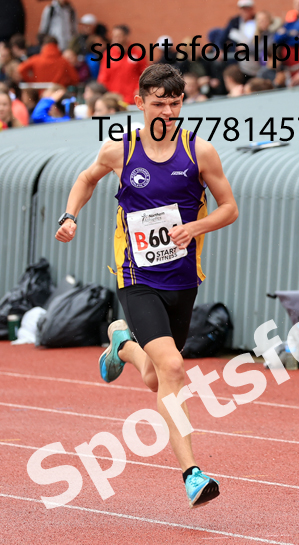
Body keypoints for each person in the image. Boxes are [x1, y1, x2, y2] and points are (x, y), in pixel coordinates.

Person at [55, 63, 238, 509]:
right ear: (139, 103)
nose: (168, 112)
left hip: (182, 278)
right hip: (135, 276)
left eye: (175, 104)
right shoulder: (119, 149)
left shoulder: (201, 152)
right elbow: (86, 179)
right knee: (175, 370)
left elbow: (229, 208)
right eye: (159, 103)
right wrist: (70, 215)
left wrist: (195, 227)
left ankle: (122, 343)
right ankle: (193, 473)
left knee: (157, 376)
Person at [99, 25, 147, 104]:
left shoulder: (138, 53)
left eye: (119, 36)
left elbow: (145, 75)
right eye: (114, 36)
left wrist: (139, 89)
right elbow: (103, 76)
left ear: (126, 36)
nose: (116, 39)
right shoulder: (108, 54)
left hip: (132, 99)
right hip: (113, 99)